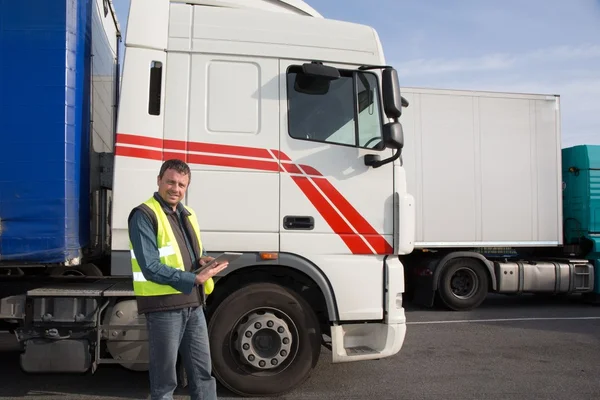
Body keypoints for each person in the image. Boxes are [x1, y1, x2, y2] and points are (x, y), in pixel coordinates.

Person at [128, 158, 229, 400]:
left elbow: (193, 252)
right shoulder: (143, 214)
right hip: (163, 305)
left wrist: (203, 260)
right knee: (165, 382)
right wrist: (193, 279)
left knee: (203, 375)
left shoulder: (188, 213)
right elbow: (150, 267)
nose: (176, 189)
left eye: (182, 185)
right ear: (159, 181)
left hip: (193, 304)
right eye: (171, 182)